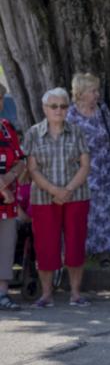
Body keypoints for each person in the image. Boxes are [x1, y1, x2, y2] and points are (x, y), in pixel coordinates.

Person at [22, 88, 90, 307]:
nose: (59, 110)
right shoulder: (33, 133)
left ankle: (76, 294)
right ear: (44, 108)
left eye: (63, 106)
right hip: (43, 198)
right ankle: (46, 295)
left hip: (76, 196)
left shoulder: (77, 132)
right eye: (54, 106)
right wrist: (54, 190)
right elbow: (32, 168)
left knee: (75, 245)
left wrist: (67, 190)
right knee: (46, 246)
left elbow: (85, 165)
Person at [66, 72, 110, 264]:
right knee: (88, 212)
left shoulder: (102, 109)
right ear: (81, 93)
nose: (97, 94)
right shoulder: (72, 114)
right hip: (84, 172)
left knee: (108, 212)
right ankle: (84, 251)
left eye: (97, 90)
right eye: (93, 91)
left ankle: (105, 254)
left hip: (106, 168)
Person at [0, 112, 25, 311]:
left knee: (6, 247)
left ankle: (2, 294)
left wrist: (9, 177)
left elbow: (20, 160)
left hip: (7, 204)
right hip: (5, 194)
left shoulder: (7, 126)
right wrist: (3, 188)